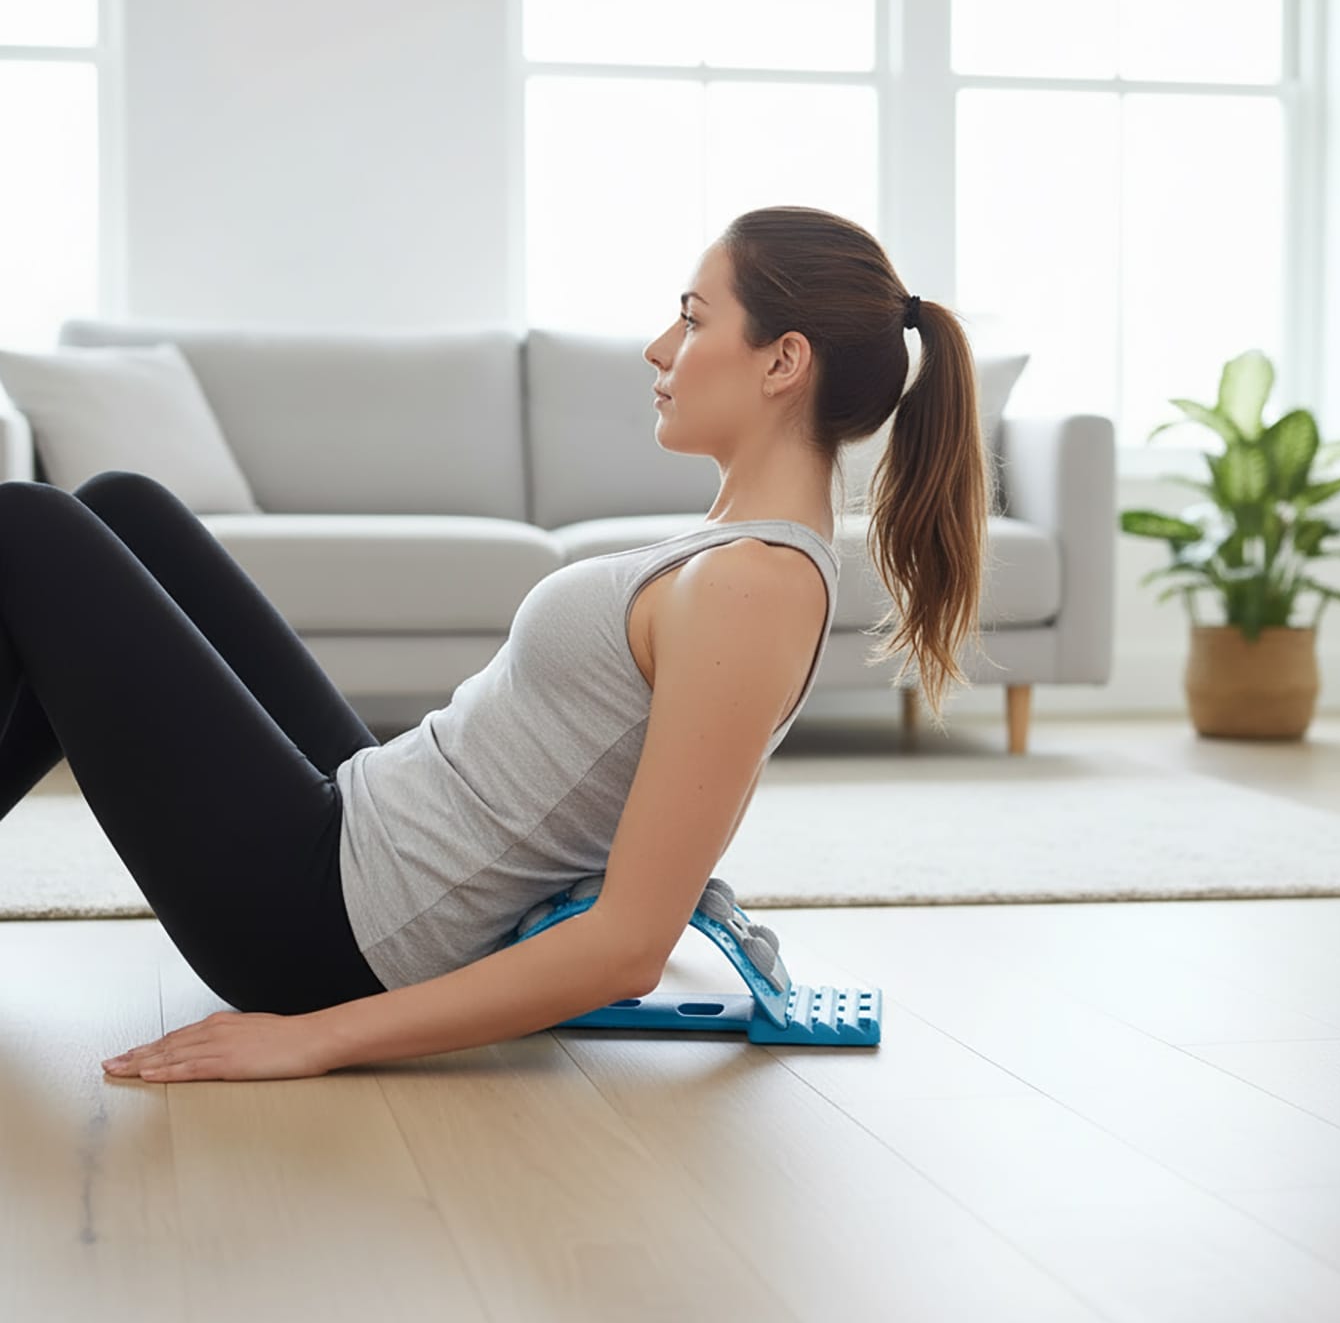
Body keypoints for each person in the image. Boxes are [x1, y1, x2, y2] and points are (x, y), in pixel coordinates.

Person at [0, 204, 992, 1083]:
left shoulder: (753, 588)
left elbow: (630, 946)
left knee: (28, 531)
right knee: (122, 509)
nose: (659, 349)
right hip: (370, 815)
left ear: (783, 361)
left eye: (693, 320)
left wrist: (315, 1038)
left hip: (327, 926)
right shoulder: (737, 554)